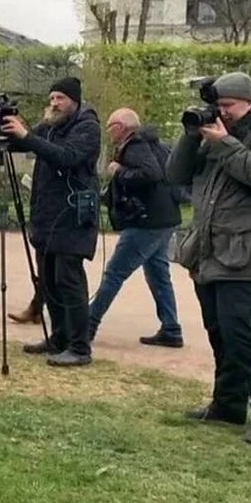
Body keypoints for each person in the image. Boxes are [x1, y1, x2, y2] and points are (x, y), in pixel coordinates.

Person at [167, 71, 251, 445]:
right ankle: (228, 404)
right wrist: (190, 134)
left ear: (250, 102)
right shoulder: (213, 130)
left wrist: (226, 143)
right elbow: (175, 175)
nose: (222, 113)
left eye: (228, 106)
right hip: (208, 243)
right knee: (218, 329)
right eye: (219, 107)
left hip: (243, 244)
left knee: (241, 330)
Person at [0, 76, 101, 367]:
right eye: (52, 98)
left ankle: (80, 347)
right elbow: (23, 143)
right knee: (49, 281)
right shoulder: (52, 126)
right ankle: (58, 338)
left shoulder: (87, 127)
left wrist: (28, 136)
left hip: (73, 216)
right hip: (48, 216)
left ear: (74, 100)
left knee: (68, 280)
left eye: (60, 98)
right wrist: (6, 125)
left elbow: (67, 157)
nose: (54, 103)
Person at [88, 108, 184, 347]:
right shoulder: (157, 145)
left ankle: (87, 324)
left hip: (146, 222)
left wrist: (119, 171)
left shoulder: (135, 146)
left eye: (110, 127)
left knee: (114, 273)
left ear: (120, 127)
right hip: (165, 218)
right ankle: (171, 328)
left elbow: (149, 175)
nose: (109, 132)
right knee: (159, 274)